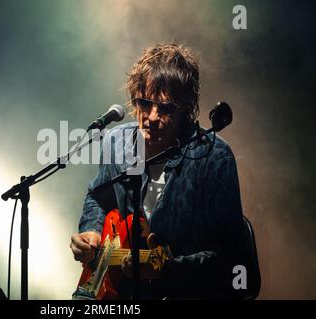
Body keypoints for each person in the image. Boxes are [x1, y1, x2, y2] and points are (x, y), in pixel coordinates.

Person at [70, 43, 247, 299]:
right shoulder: (116, 142)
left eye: (165, 108)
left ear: (186, 107)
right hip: (122, 290)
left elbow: (232, 256)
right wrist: (92, 230)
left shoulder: (215, 157)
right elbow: (98, 197)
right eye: (144, 103)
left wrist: (170, 269)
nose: (151, 116)